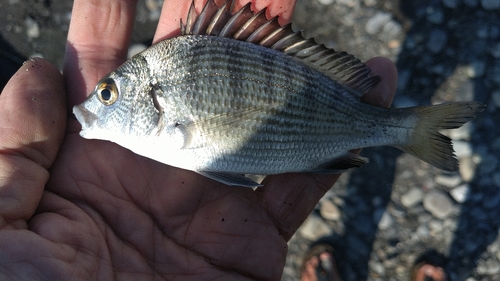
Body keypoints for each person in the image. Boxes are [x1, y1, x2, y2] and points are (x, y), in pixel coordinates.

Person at [0, 0, 431, 280]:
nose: (96, 102)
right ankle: (406, 130)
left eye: (107, 94)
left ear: (154, 100)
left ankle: (406, 129)